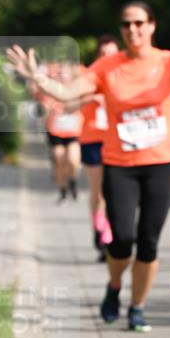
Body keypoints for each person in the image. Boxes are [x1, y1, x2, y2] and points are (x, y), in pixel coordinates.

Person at [7, 0, 170, 331]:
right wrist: (36, 77)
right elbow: (67, 92)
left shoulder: (168, 62)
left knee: (148, 243)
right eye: (126, 24)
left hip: (162, 163)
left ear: (151, 26)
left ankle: (137, 306)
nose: (133, 30)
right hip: (120, 165)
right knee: (121, 240)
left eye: (139, 23)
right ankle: (115, 285)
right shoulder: (106, 67)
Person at [78, 35, 118, 259]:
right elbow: (69, 104)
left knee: (114, 190)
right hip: (92, 139)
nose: (107, 58)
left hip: (117, 139)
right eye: (103, 54)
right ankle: (99, 230)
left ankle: (109, 232)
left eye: (111, 54)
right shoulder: (88, 77)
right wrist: (92, 98)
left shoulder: (124, 77)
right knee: (99, 190)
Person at [34, 61, 84, 202]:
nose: (63, 77)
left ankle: (73, 181)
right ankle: (63, 190)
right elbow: (43, 108)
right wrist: (47, 110)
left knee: (73, 160)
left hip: (73, 132)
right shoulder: (51, 92)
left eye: (65, 75)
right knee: (60, 159)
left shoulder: (77, 91)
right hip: (56, 132)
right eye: (60, 75)